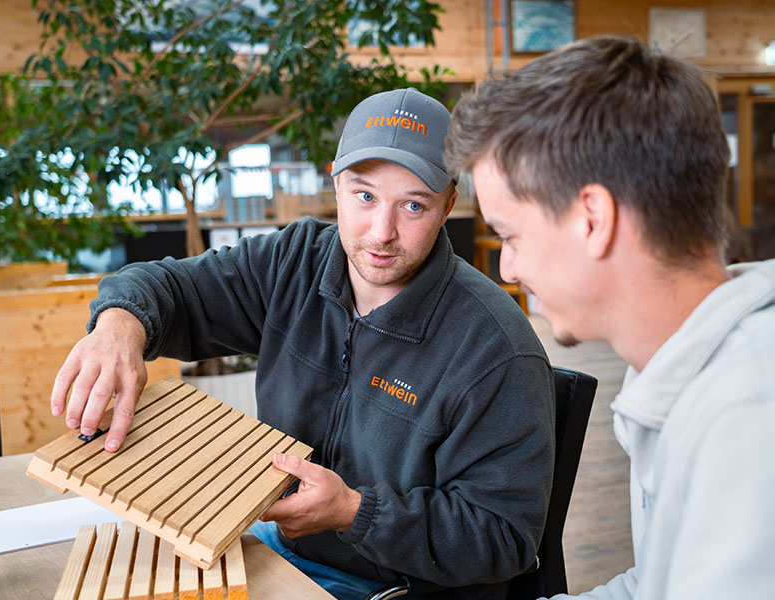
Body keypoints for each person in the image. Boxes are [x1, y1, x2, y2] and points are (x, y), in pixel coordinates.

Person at [51, 87, 556, 599]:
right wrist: (118, 327)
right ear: (335, 179)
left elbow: (504, 537)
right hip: (276, 547)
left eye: (413, 205)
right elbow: (171, 288)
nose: (382, 232)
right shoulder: (294, 261)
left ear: (449, 203)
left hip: (392, 587)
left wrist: (353, 513)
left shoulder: (495, 349)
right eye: (364, 195)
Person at [445, 35, 775, 600]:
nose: (507, 268)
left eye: (510, 235)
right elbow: (659, 586)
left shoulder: (746, 417)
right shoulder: (666, 366)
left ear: (593, 219)